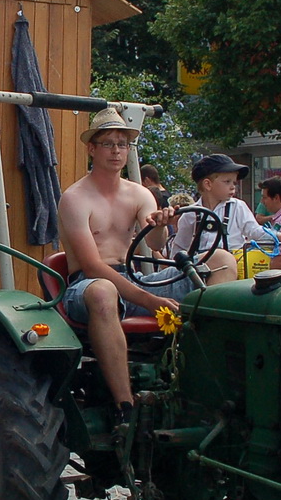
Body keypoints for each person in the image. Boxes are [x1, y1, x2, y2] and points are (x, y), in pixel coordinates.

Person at [56, 109, 178, 432]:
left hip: (131, 279)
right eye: (108, 143)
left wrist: (161, 226)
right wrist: (151, 301)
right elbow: (94, 266)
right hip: (87, 286)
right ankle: (125, 406)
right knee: (103, 290)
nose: (116, 151)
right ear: (91, 149)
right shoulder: (74, 198)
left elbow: (155, 243)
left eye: (122, 144)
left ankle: (196, 390)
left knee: (221, 262)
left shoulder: (140, 194)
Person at [168, 154, 267, 285]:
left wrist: (277, 236)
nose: (233, 187)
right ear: (208, 184)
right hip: (201, 272)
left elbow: (254, 231)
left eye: (234, 182)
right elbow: (180, 247)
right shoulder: (191, 213)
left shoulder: (237, 207)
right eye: (227, 182)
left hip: (234, 269)